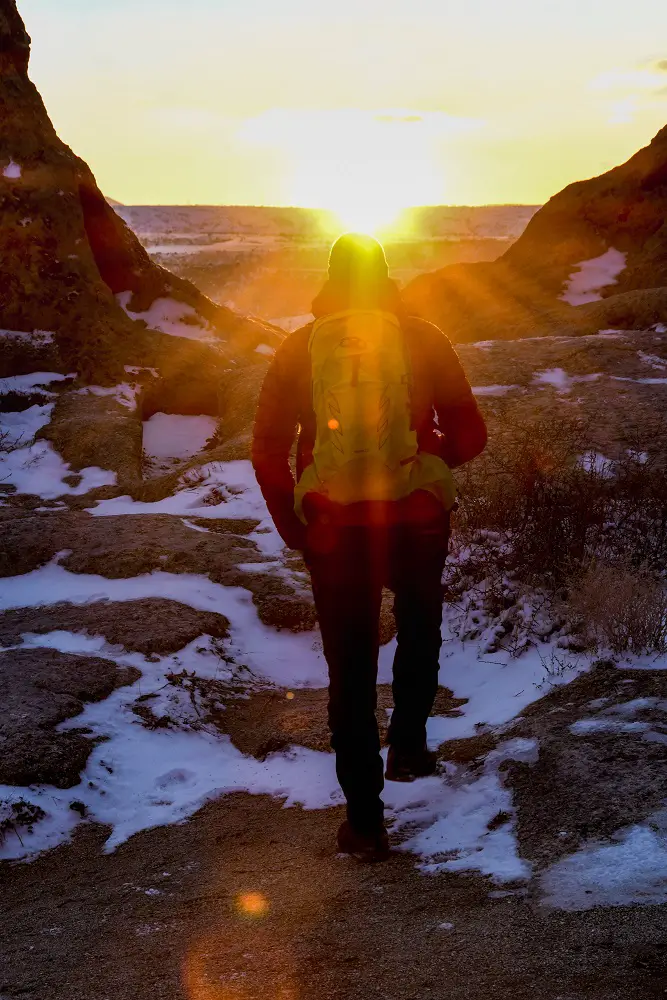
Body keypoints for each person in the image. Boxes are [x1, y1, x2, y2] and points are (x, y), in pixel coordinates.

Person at [252, 233, 487, 861]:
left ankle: (364, 821)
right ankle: (409, 747)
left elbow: (268, 450)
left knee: (349, 669)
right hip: (415, 519)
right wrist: (429, 454)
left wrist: (296, 528)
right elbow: (472, 434)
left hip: (336, 529)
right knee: (419, 625)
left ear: (329, 279)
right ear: (388, 277)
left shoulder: (301, 346)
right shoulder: (424, 338)